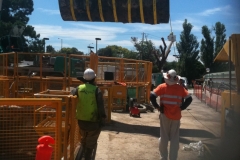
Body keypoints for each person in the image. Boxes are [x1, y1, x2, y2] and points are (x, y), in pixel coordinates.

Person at [150, 69, 192, 160]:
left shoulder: (162, 87)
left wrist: (157, 107)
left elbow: (152, 96)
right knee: (174, 139)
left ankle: (163, 157)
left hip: (164, 114)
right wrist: (182, 107)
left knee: (164, 137)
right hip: (176, 116)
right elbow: (189, 99)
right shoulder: (180, 88)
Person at [72, 68, 106, 160]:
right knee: (91, 142)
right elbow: (100, 106)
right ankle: (87, 157)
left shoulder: (79, 88)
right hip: (93, 121)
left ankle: (82, 151)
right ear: (94, 79)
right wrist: (103, 117)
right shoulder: (96, 90)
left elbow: (72, 94)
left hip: (81, 120)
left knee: (84, 137)